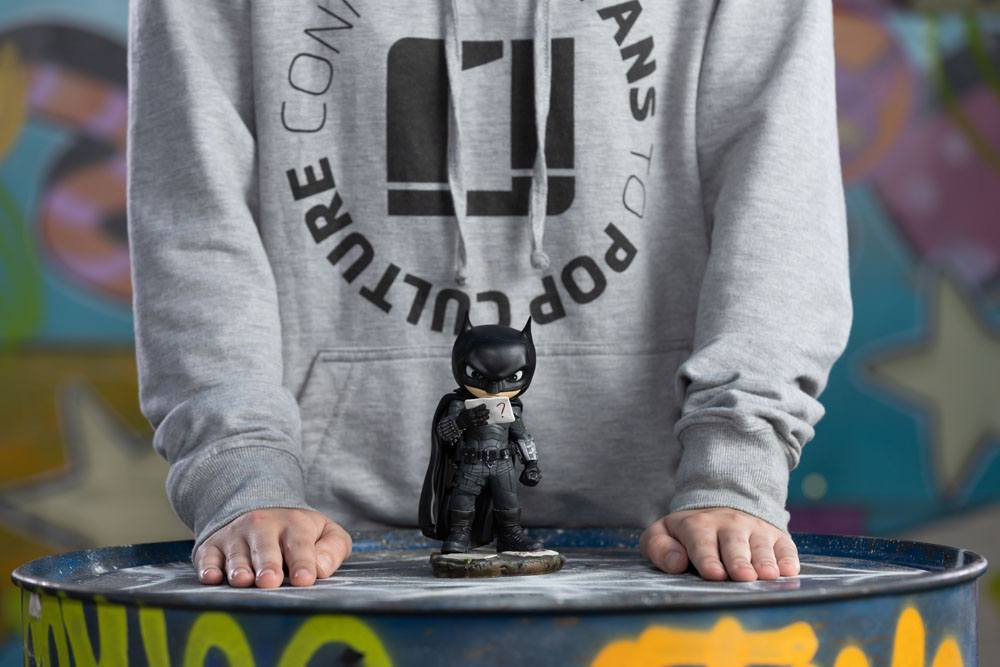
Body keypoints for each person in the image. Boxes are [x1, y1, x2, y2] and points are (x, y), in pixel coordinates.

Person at [127, 0, 851, 588]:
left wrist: (733, 470)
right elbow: (195, 220)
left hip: (675, 545)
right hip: (314, 556)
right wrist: (244, 475)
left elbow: (780, 203)